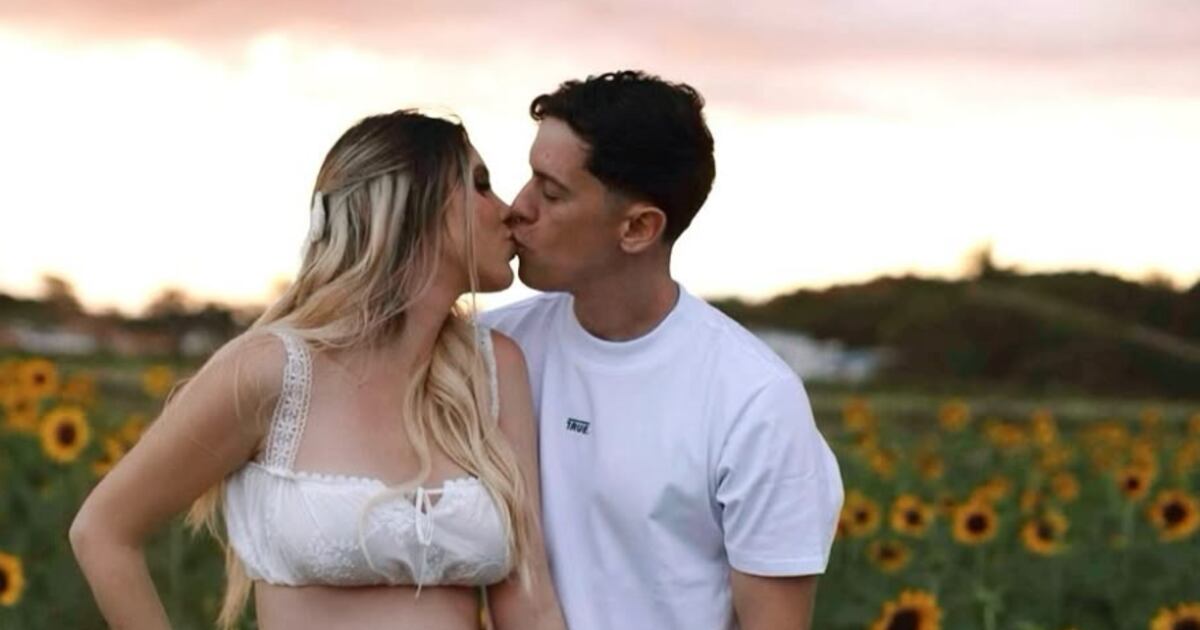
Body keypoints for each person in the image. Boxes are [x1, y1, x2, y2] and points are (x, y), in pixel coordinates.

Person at [70, 110, 566, 630]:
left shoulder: (493, 368)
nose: (509, 211)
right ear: (410, 206)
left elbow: (530, 603)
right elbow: (103, 531)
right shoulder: (273, 371)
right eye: (481, 185)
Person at [481, 70, 844, 630]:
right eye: (529, 178)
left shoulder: (755, 400)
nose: (518, 207)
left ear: (638, 228)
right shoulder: (488, 350)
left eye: (551, 193)